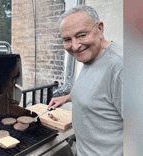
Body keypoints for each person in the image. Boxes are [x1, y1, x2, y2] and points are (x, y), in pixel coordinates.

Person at [48, 5, 123, 156]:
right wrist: (68, 97)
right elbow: (99, 91)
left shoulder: (121, 67)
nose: (75, 46)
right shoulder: (91, 56)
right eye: (67, 39)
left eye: (81, 35)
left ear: (100, 29)